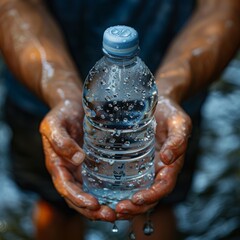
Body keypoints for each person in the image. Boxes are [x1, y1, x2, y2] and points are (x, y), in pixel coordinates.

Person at [0, 0, 240, 239]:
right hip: (42, 93)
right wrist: (61, 94)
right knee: (56, 202)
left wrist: (168, 93)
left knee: (156, 200)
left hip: (172, 100)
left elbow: (222, 7)